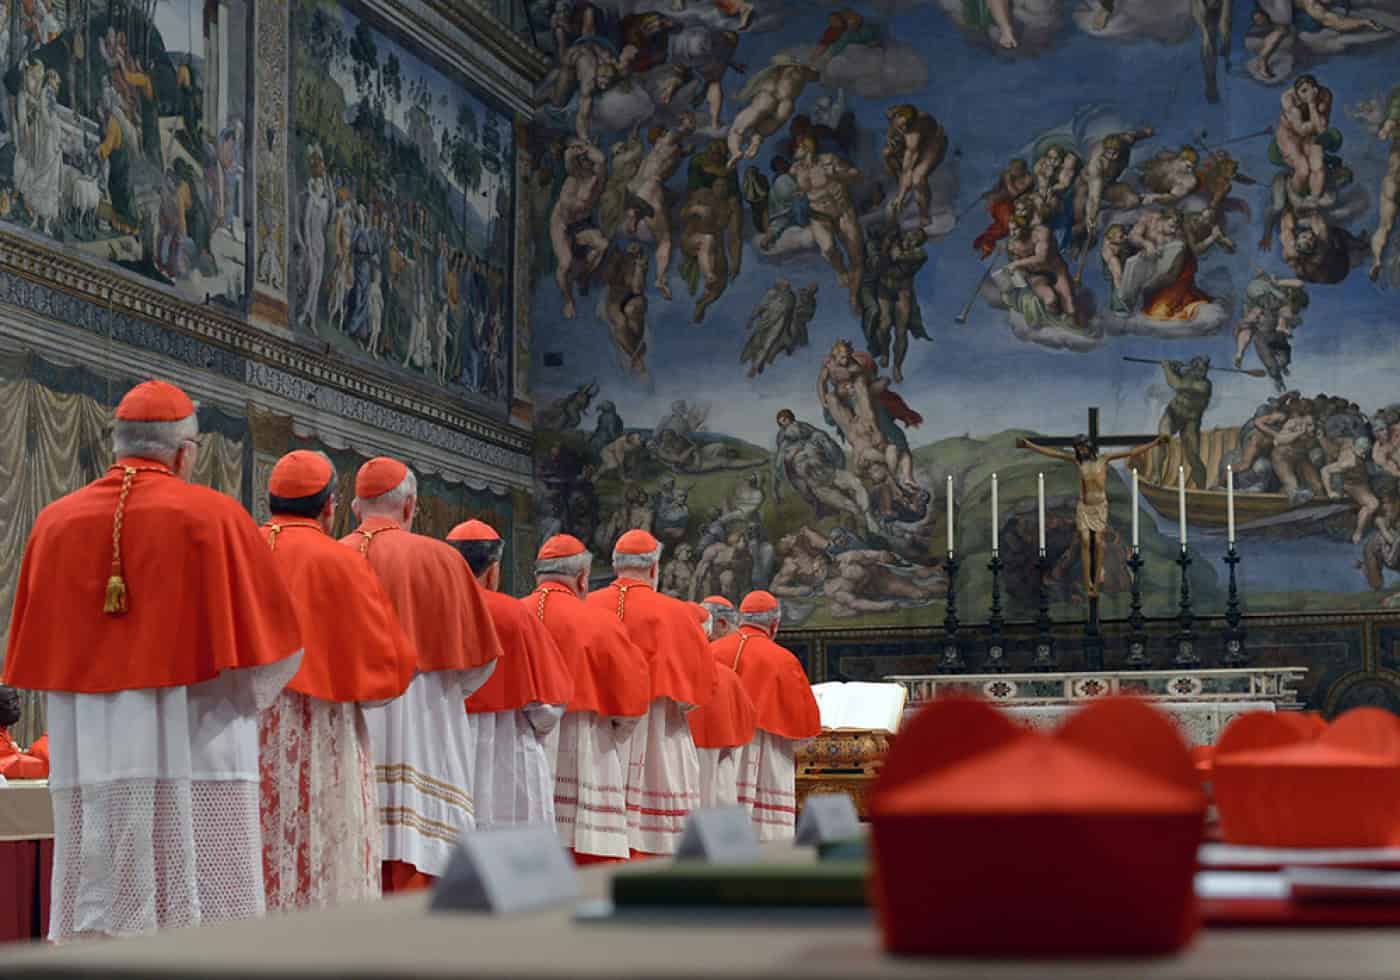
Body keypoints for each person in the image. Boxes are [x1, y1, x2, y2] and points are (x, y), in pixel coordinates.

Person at [2, 380, 304, 941]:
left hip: (90, 741)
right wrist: (228, 703)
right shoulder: (214, 517)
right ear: (185, 452)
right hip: (195, 743)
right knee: (197, 905)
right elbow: (270, 660)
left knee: (101, 884)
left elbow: (43, 652)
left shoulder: (54, 522)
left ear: (117, 445)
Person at [258, 451, 417, 913]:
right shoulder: (341, 560)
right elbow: (387, 664)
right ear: (329, 506)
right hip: (320, 730)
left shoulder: (240, 545)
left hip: (233, 728)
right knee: (322, 845)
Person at [341, 457, 502, 892]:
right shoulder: (443, 560)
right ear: (410, 506)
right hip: (427, 717)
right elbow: (481, 660)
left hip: (349, 716)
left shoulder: (334, 555)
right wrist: (448, 690)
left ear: (355, 508)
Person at [586, 530, 717, 857]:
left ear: (615, 566)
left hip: (594, 729)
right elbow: (692, 695)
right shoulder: (677, 614)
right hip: (657, 729)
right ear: (655, 568)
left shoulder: (586, 605)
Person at [526, 535, 651, 864]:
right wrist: (614, 735)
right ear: (582, 579)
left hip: (521, 744)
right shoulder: (600, 622)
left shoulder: (515, 614)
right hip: (586, 746)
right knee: (587, 851)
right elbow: (632, 698)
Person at [449, 520, 573, 830]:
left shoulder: (433, 609)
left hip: (446, 742)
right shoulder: (515, 614)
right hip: (508, 745)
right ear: (493, 570)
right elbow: (547, 707)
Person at [708, 592, 819, 839]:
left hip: (717, 748)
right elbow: (804, 730)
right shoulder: (784, 660)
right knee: (766, 833)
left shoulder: (712, 651)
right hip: (769, 754)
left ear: (741, 618)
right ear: (774, 624)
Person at [1017, 434, 1166, 597]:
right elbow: (1054, 453)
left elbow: (1131, 453)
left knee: (1099, 543)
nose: (1080, 450)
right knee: (1086, 542)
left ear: (1088, 446)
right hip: (1084, 508)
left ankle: (1095, 580)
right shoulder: (1078, 462)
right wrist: (1030, 446)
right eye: (1078, 448)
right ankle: (1088, 582)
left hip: (1099, 508)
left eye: (1082, 447)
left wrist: (1154, 443)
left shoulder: (1104, 459)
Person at [686, 605, 757, 809]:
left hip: (677, 755)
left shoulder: (665, 670)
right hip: (719, 758)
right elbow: (747, 723)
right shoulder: (726, 675)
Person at [0, 685, 47, 779]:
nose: (15, 706)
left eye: (16, 700)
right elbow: (9, 764)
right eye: (7, 702)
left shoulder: (4, 733)